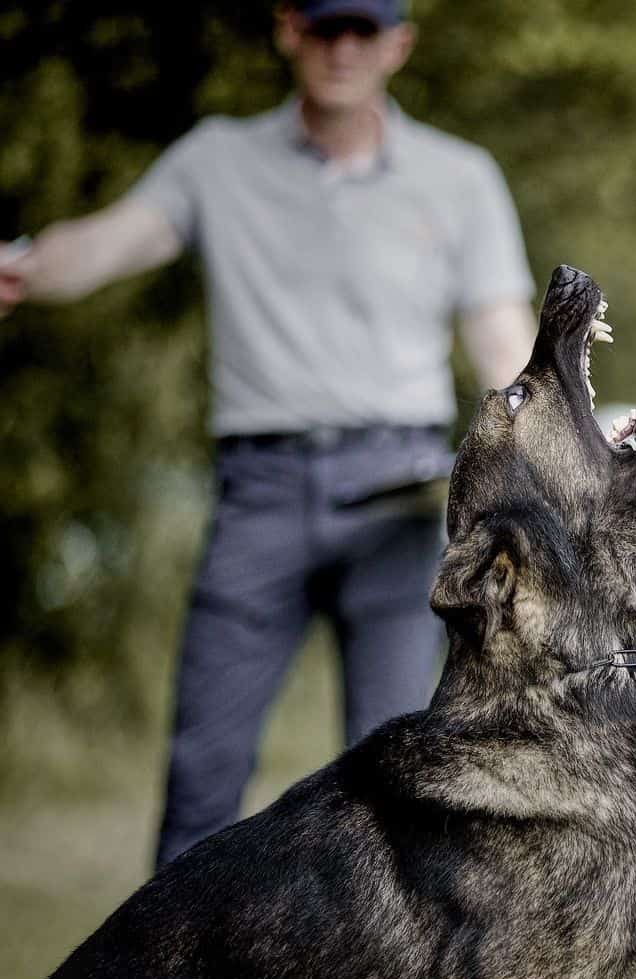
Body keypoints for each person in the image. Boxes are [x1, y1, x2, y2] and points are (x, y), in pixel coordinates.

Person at [0, 0, 537, 866]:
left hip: (400, 500)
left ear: (398, 44)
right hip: (263, 495)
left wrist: (550, 453)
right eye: (325, 28)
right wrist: (21, 268)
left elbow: (502, 346)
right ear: (290, 31)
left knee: (400, 781)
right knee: (202, 779)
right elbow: (106, 243)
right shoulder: (218, 159)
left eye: (363, 30)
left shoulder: (459, 177)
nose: (342, 49)